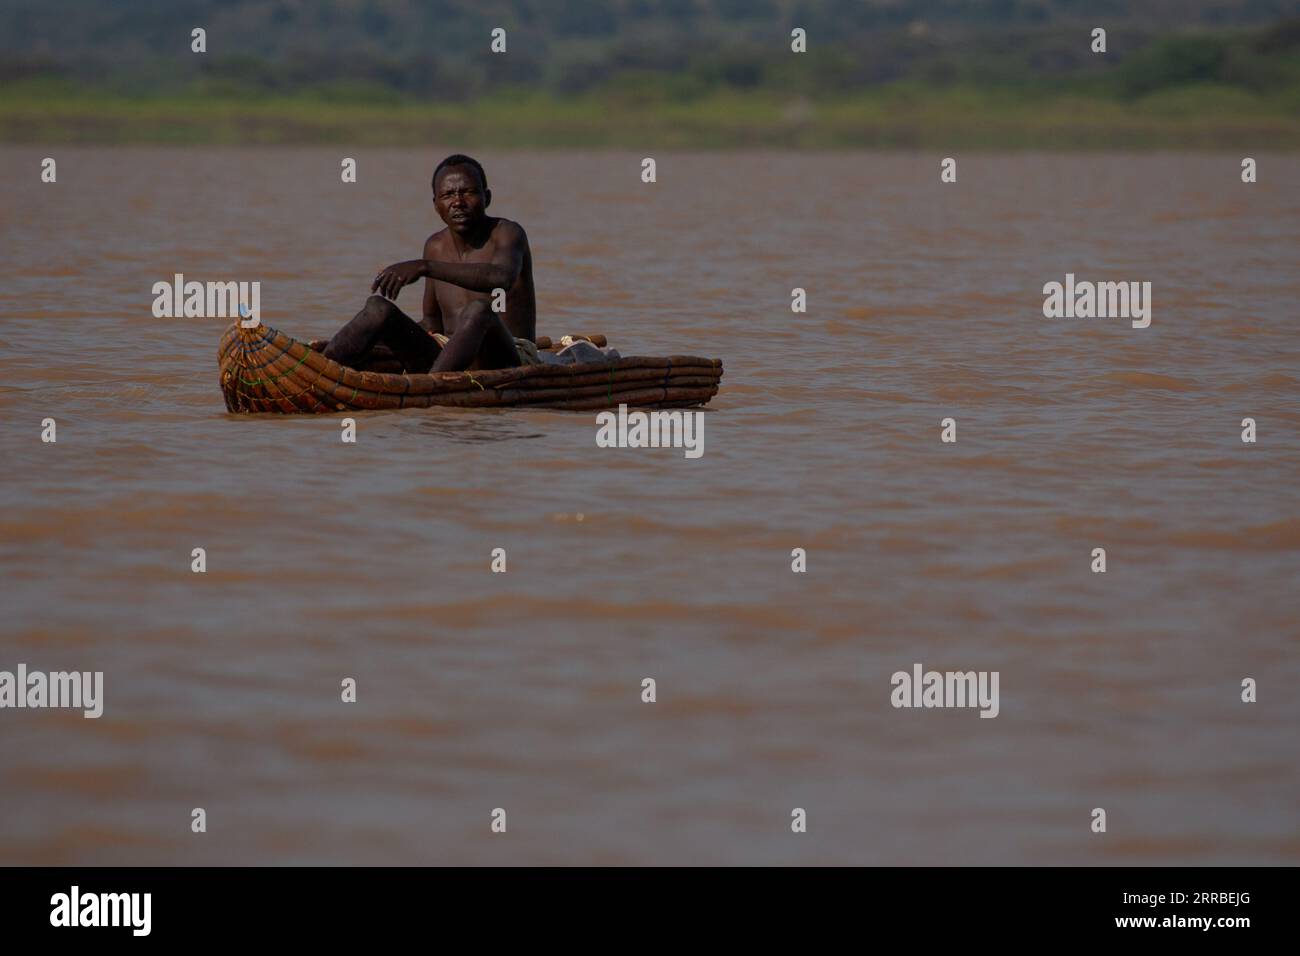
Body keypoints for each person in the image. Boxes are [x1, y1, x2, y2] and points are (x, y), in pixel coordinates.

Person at [323, 154, 537, 373]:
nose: (458, 202)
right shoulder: (435, 246)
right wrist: (382, 336)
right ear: (436, 205)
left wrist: (426, 267)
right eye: (447, 195)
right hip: (449, 357)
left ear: (487, 197)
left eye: (468, 192)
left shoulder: (507, 233)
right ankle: (319, 371)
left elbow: (502, 277)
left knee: (478, 310)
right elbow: (432, 322)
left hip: (507, 357)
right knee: (378, 309)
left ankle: (431, 390)